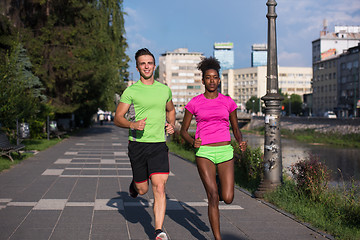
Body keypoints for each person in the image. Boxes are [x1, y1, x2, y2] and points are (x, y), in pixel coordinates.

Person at [180, 57, 247, 240]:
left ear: (219, 80)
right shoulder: (194, 103)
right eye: (208, 77)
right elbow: (183, 131)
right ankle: (218, 238)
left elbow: (235, 128)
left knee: (228, 197)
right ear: (203, 81)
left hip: (225, 151)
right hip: (205, 152)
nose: (211, 80)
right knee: (213, 196)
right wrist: (191, 141)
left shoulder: (228, 102)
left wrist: (240, 140)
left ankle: (218, 182)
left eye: (215, 77)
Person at [114, 48, 175, 240]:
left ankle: (158, 230)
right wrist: (132, 124)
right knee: (143, 189)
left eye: (149, 63)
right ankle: (134, 186)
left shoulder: (164, 89)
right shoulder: (131, 91)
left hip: (158, 145)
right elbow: (117, 118)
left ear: (154, 66)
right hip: (138, 145)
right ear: (138, 67)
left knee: (160, 187)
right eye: (142, 63)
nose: (146, 66)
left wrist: (171, 125)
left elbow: (171, 110)